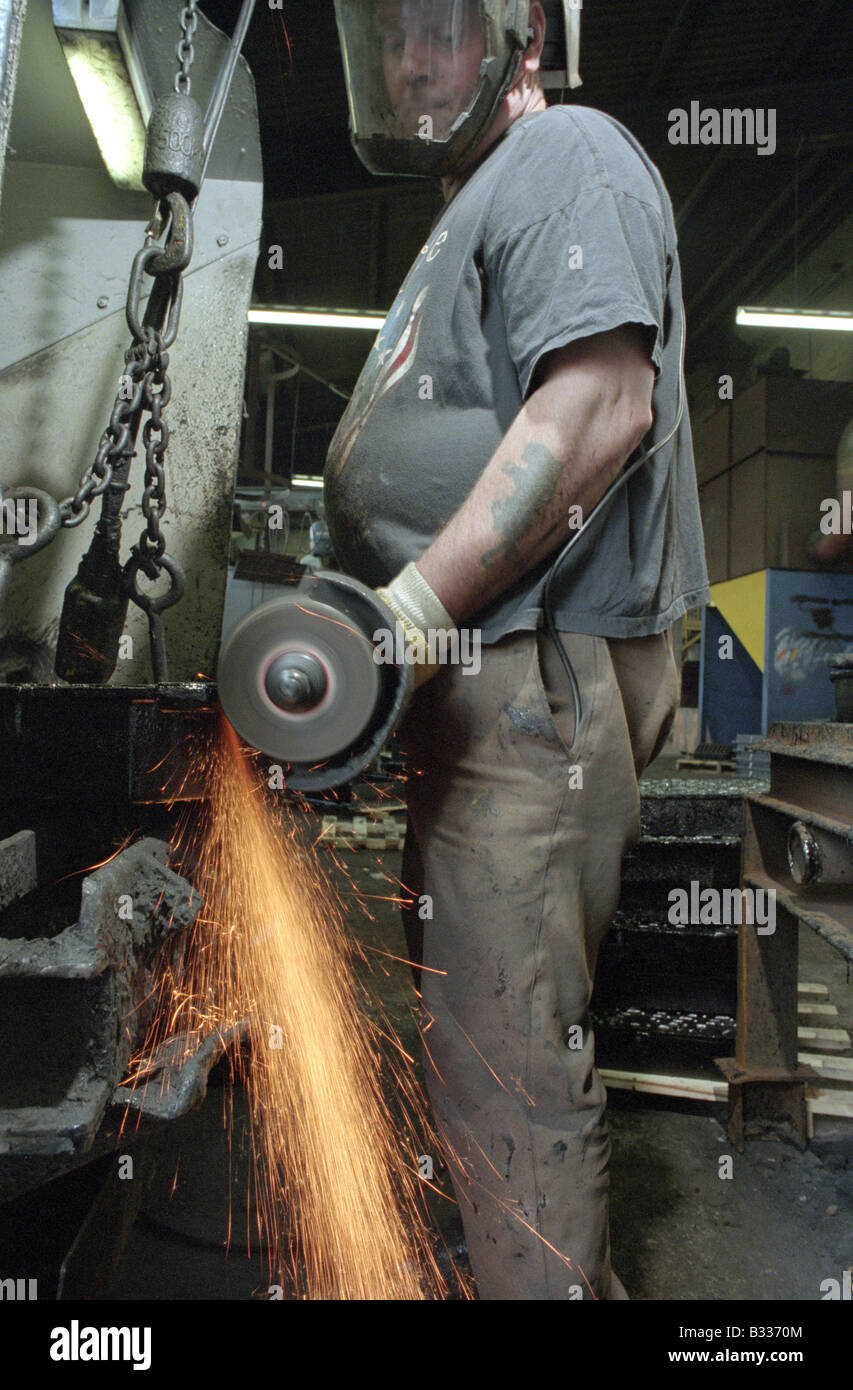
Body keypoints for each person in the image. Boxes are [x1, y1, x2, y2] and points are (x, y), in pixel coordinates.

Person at [326, 0, 710, 1299]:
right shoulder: (481, 203)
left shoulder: (567, 157)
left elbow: (602, 395)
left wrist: (407, 616)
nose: (408, 59)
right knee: (476, 1028)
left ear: (525, 36)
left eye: (436, 25)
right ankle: (502, 1260)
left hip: (531, 681)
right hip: (479, 685)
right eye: (387, 35)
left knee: (507, 1057)